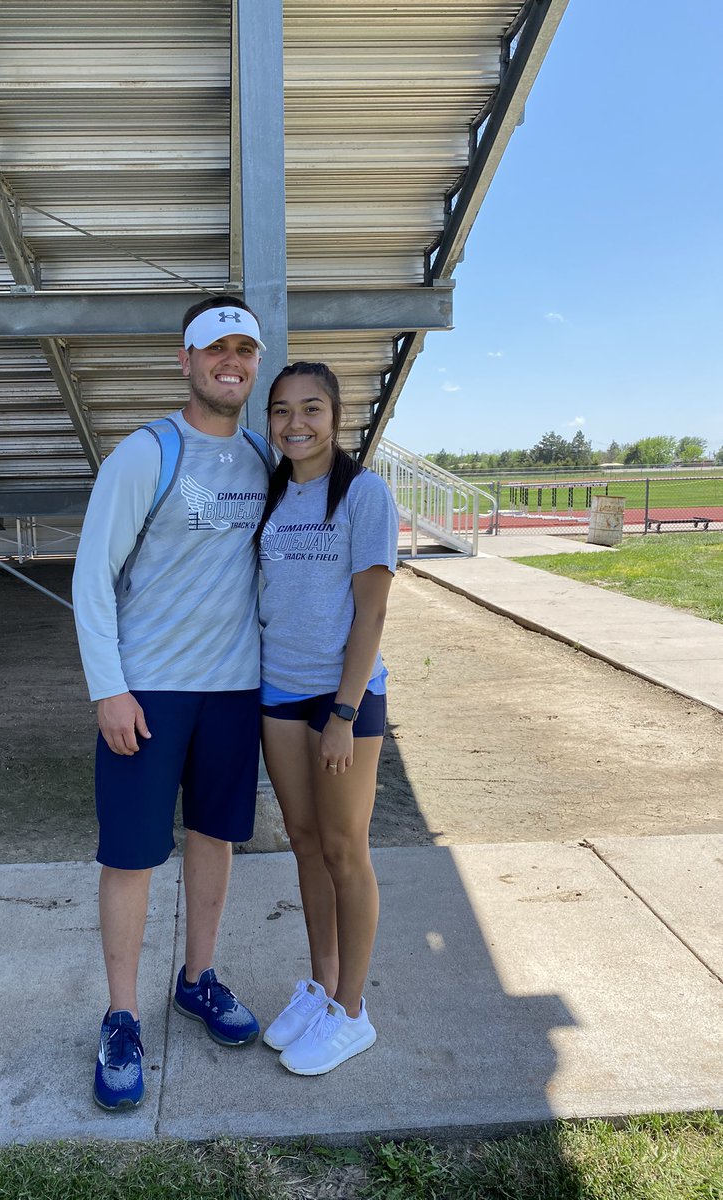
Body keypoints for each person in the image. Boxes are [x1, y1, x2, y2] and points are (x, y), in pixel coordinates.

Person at [72, 295, 272, 1111]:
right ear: (185, 361)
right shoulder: (145, 454)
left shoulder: (264, 457)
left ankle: (198, 979)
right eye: (216, 348)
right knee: (129, 856)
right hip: (148, 691)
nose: (233, 362)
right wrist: (108, 688)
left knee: (215, 840)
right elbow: (91, 578)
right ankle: (122, 1016)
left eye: (245, 350)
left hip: (234, 690)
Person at [255, 361, 399, 1076]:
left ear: (335, 416)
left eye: (310, 408)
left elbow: (371, 611)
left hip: (342, 699)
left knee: (346, 849)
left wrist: (344, 711)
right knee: (305, 843)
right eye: (281, 411)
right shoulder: (274, 493)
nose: (296, 424)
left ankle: (352, 1011)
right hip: (278, 691)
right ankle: (320, 985)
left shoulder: (364, 495)